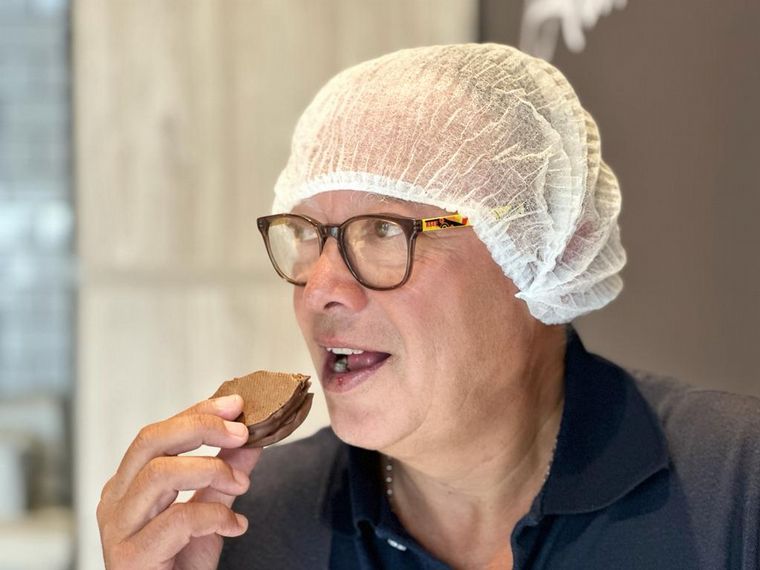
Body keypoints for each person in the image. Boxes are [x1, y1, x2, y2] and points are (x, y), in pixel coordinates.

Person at [97, 44, 760, 569]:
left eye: (385, 230)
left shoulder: (735, 489)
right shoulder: (245, 525)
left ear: (538, 247)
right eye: (308, 235)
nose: (320, 288)